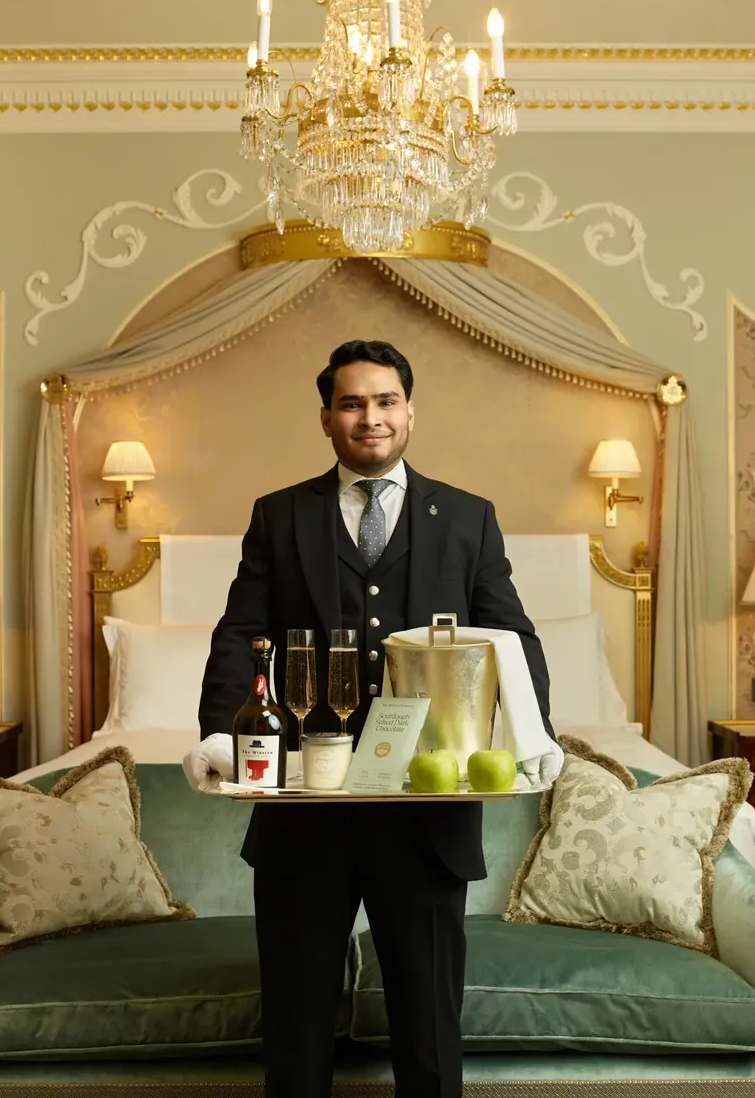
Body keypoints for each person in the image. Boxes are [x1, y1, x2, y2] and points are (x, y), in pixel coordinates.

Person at [184, 340, 559, 1098]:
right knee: (294, 1031)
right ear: (326, 418)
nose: (371, 417)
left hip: (427, 812)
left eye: (386, 401)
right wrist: (224, 729)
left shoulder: (467, 518)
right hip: (304, 807)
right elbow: (240, 631)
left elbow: (511, 637)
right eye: (352, 403)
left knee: (428, 1035)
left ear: (410, 411)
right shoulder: (279, 516)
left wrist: (534, 732)